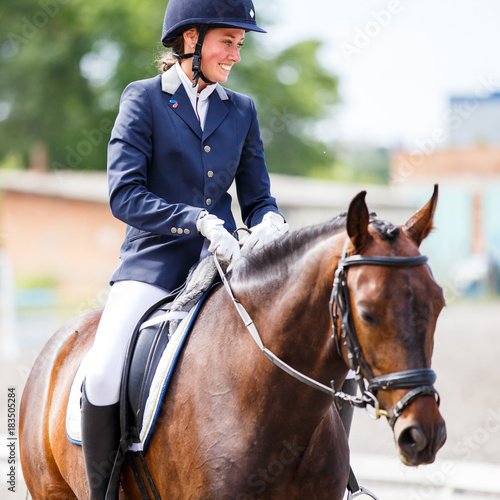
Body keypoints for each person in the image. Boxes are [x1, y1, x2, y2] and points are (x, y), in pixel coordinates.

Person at [80, 0, 289, 498]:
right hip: (152, 264)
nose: (236, 55)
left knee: (300, 337)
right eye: (228, 42)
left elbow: (257, 197)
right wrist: (194, 220)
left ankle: (334, 476)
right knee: (106, 371)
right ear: (191, 40)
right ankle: (104, 491)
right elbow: (124, 194)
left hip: (227, 267)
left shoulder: (241, 110)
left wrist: (271, 222)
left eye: (240, 45)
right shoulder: (143, 99)